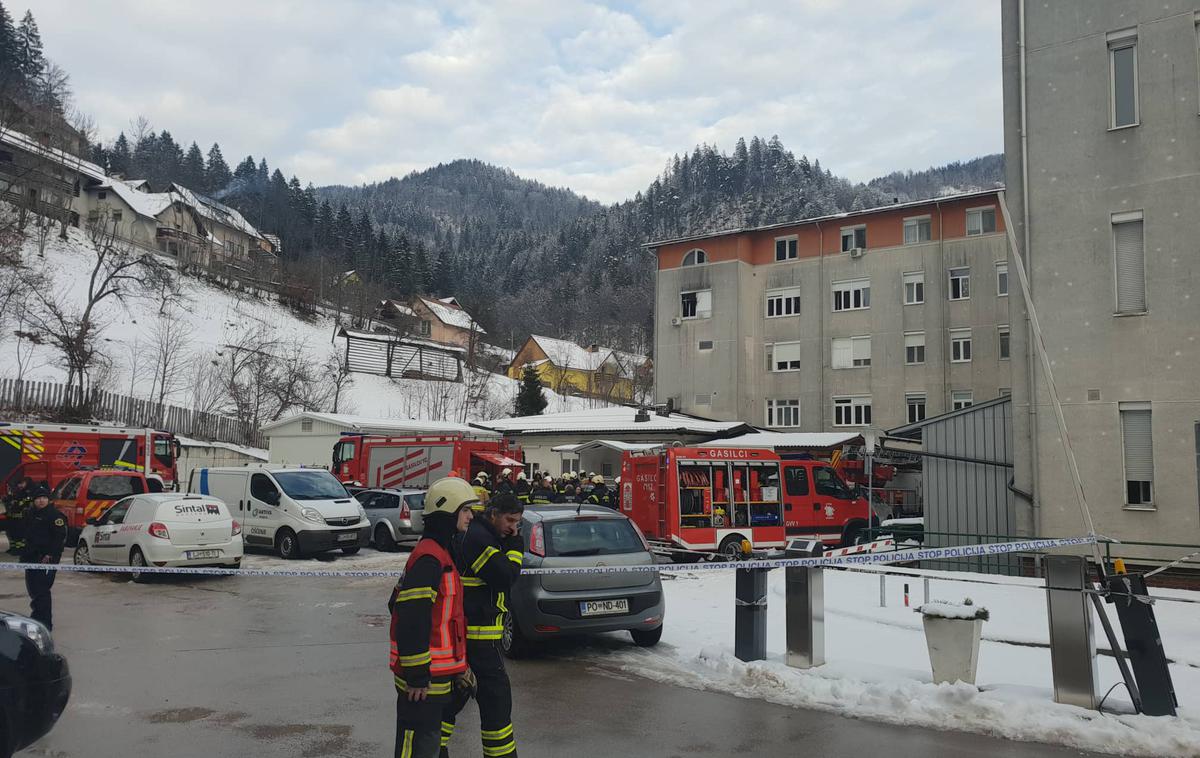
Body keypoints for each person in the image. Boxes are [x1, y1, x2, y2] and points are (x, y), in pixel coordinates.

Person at [390, 477, 477, 758]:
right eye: (465, 510)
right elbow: (410, 615)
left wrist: (457, 666)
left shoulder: (440, 553)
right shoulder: (429, 558)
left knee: (430, 743)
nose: (470, 516)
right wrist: (416, 675)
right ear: (448, 512)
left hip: (435, 676)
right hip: (422, 682)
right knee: (416, 746)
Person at [445, 493, 524, 757]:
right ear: (493, 514)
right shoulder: (479, 538)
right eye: (509, 520)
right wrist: (516, 548)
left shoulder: (483, 535)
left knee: (458, 695)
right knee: (497, 702)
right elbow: (504, 577)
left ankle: (432, 744)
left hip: (475, 636)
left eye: (518, 523)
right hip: (479, 638)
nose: (513, 527)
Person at [21, 484, 67, 630]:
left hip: (46, 560)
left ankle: (45, 624)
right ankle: (37, 618)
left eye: (44, 498)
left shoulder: (54, 515)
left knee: (42, 591)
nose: (41, 501)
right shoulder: (30, 514)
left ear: (48, 500)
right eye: (38, 498)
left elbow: (59, 538)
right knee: (33, 590)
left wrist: (50, 555)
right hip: (31, 559)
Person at [5, 476, 33, 555]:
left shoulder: (28, 493)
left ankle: (19, 550)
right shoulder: (16, 492)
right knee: (12, 534)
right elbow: (11, 502)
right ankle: (13, 548)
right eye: (18, 484)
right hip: (12, 517)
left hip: (21, 518)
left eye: (21, 483)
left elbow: (23, 503)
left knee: (19, 535)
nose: (19, 485)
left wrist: (16, 504)